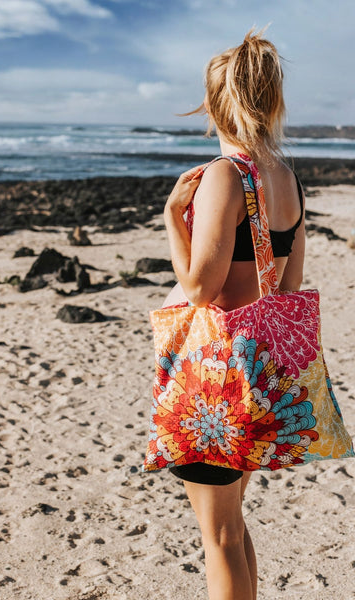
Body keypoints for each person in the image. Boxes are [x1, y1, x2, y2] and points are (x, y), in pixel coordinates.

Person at [159, 28, 305, 600]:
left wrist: (175, 217)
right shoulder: (287, 178)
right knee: (232, 526)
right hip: (258, 375)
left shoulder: (224, 176)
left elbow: (198, 287)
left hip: (213, 382)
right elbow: (289, 286)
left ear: (214, 103)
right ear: (270, 102)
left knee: (217, 537)